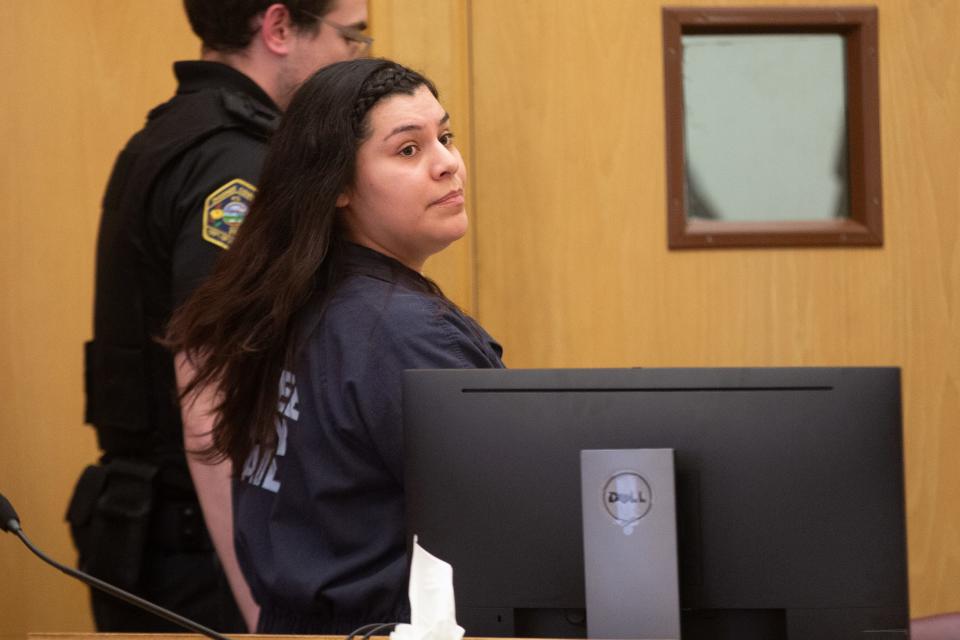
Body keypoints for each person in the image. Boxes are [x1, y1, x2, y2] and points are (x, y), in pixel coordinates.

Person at [165, 58, 505, 634]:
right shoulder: (408, 335)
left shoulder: (282, 304)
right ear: (338, 185)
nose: (448, 164)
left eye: (445, 138)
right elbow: (510, 527)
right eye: (408, 150)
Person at [69, 0, 369, 632]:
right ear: (280, 27)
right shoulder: (235, 163)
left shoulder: (165, 135)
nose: (355, 57)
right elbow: (211, 391)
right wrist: (259, 609)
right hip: (204, 552)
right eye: (351, 37)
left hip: (153, 531)